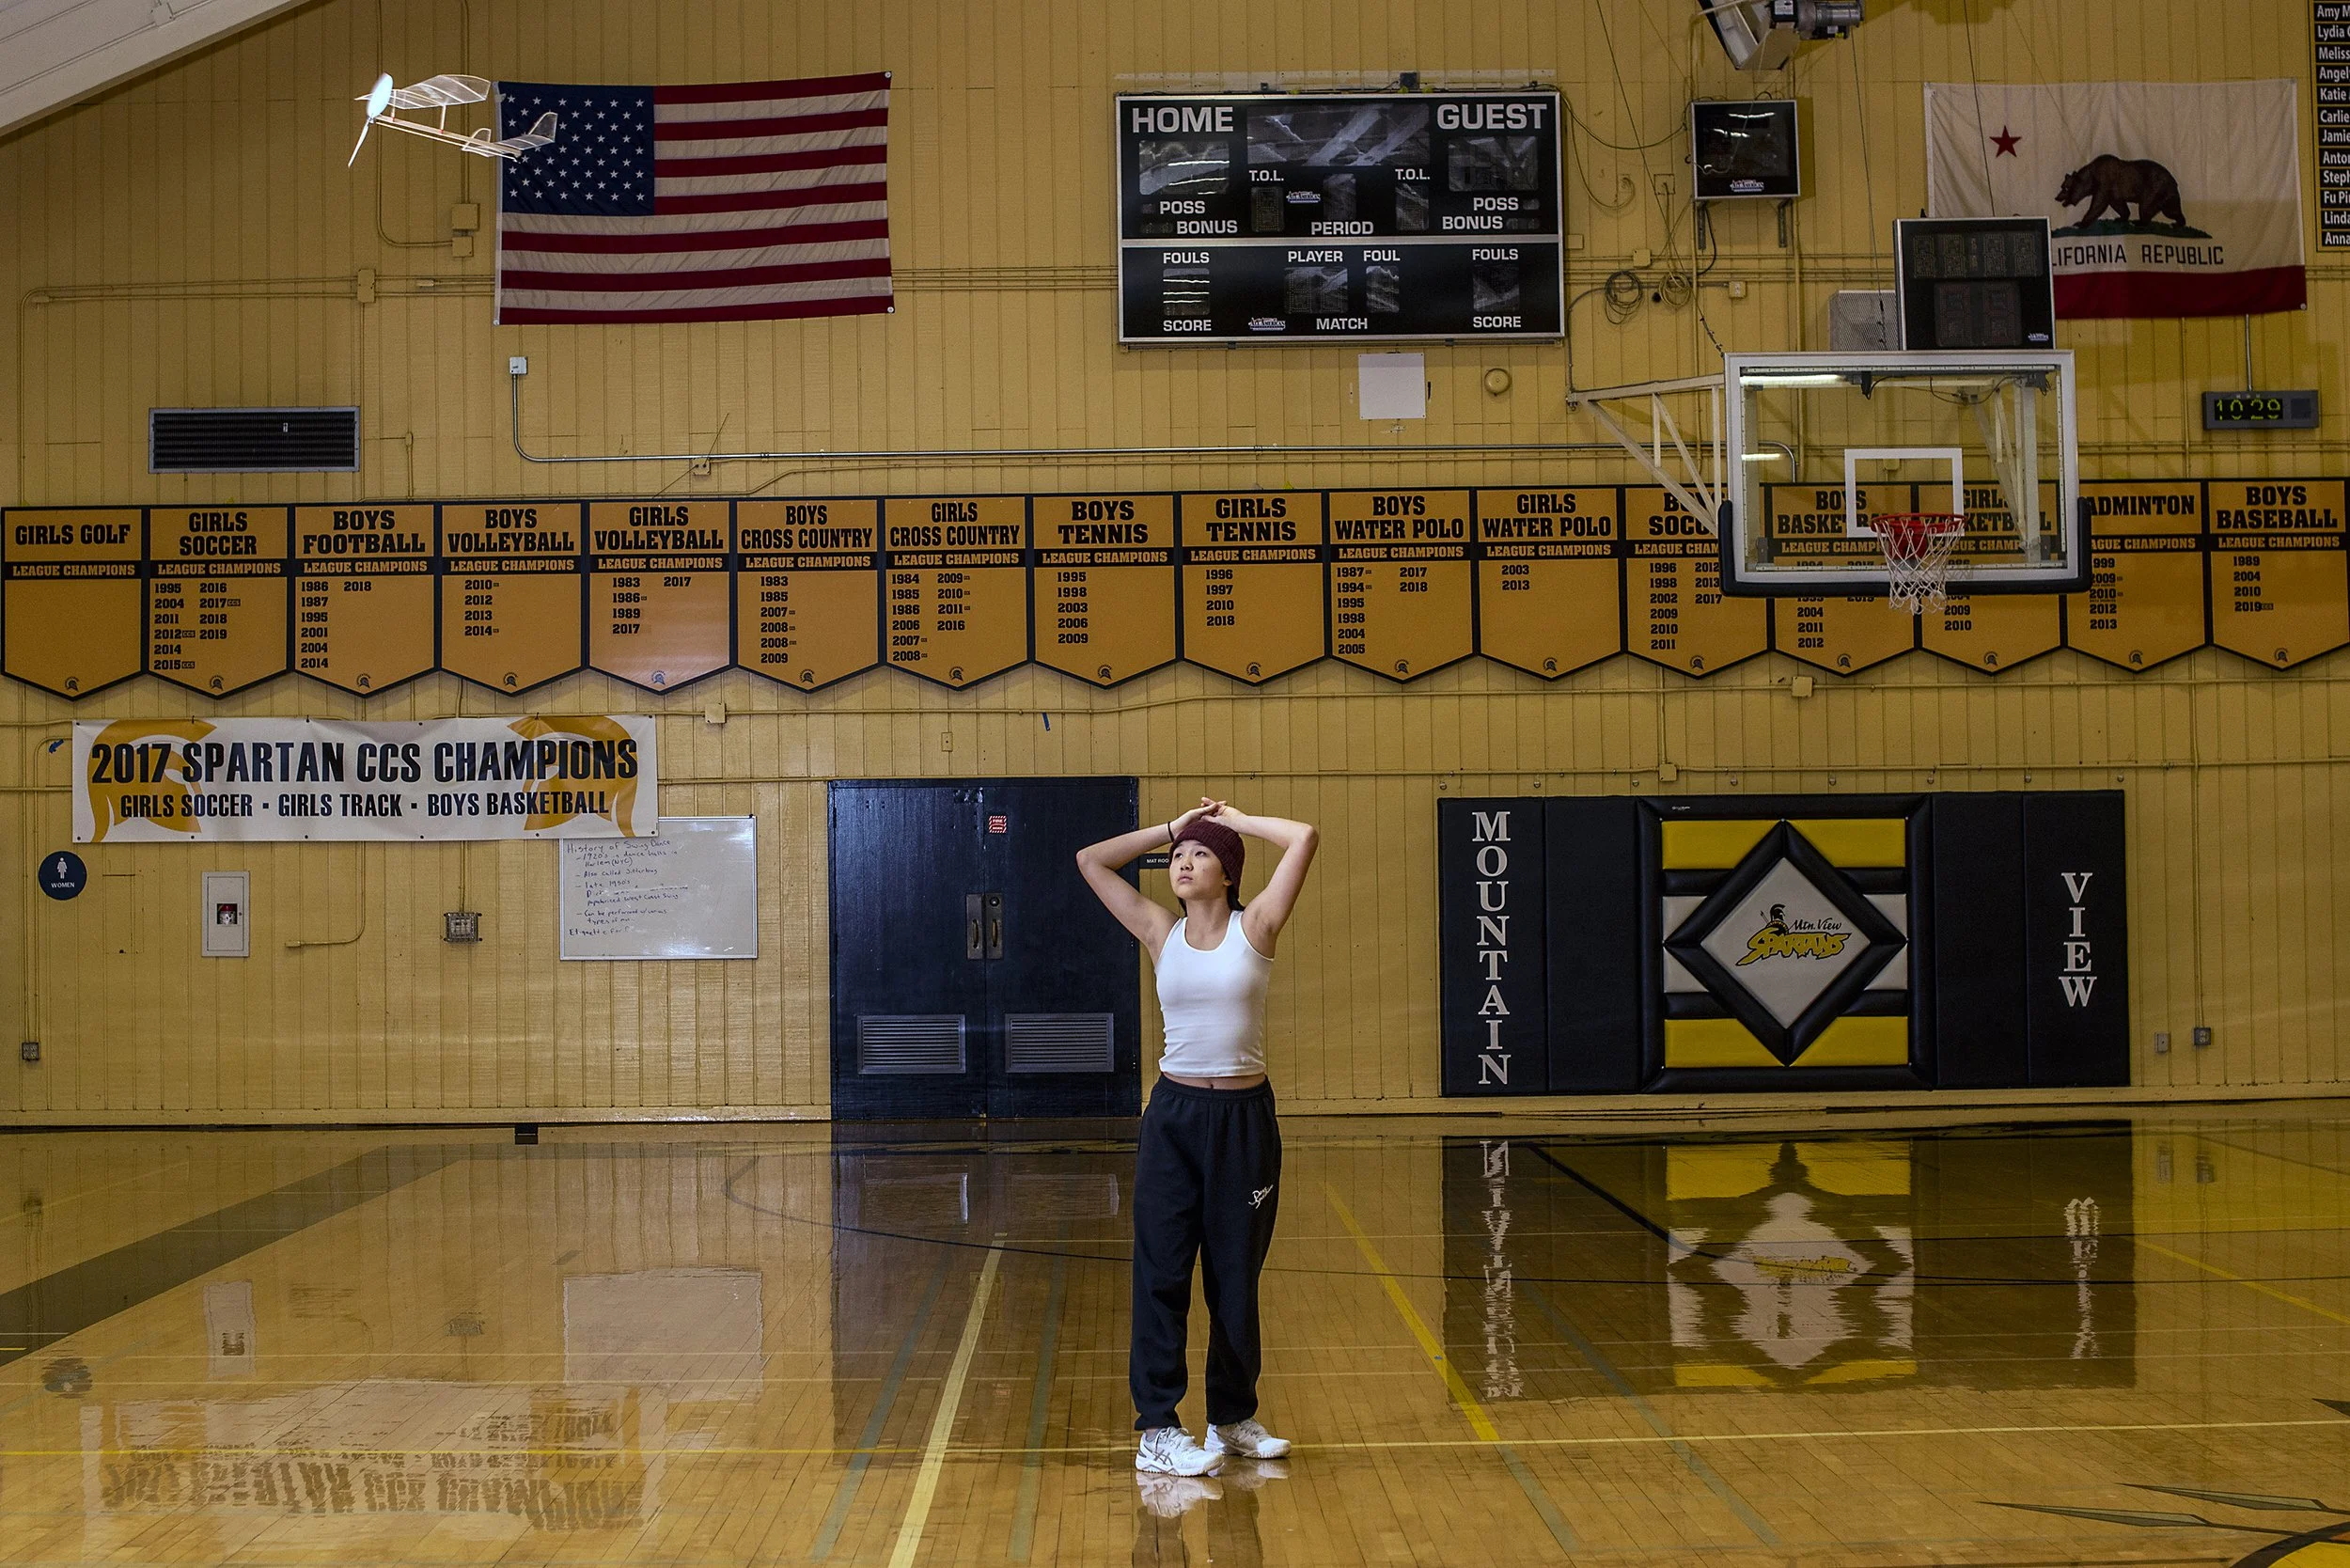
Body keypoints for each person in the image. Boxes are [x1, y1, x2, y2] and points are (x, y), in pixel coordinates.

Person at [1075, 797, 1320, 1478]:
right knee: (1163, 1274)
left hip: (1245, 1123)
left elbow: (1303, 832)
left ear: (1230, 874)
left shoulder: (1259, 926)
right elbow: (1090, 861)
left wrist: (1236, 823)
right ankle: (1157, 1427)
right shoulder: (1159, 930)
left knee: (1236, 1278)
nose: (1183, 862)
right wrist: (1173, 827)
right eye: (1180, 856)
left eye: (1199, 855)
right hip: (1175, 1118)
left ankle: (1232, 1417)